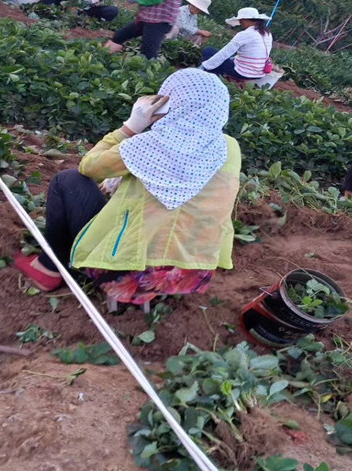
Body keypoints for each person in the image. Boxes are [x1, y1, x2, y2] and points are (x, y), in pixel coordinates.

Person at [13, 68, 241, 305]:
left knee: (68, 180)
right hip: (192, 274)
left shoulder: (152, 144)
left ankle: (49, 268)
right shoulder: (230, 149)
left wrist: (130, 127)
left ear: (168, 103)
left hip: (126, 273)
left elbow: (88, 167)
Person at [200, 7, 273, 79]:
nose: (240, 22)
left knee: (209, 51)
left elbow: (225, 52)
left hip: (244, 72)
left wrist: (204, 66)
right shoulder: (267, 33)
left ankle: (212, 78)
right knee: (228, 59)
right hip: (259, 73)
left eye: (241, 20)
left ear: (245, 20)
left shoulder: (246, 34)